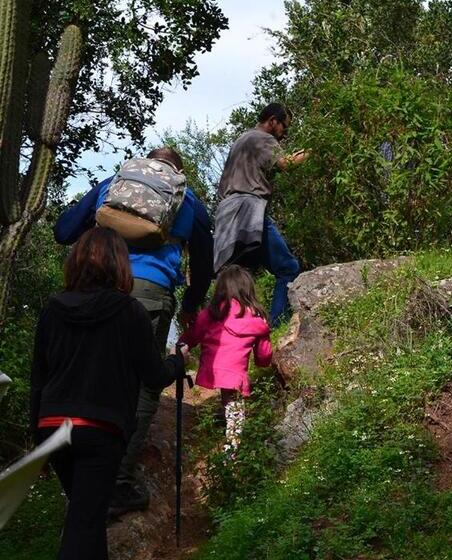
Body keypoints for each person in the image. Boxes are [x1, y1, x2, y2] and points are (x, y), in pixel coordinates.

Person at [52, 147, 213, 516]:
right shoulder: (187, 200)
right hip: (148, 292)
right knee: (143, 386)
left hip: (90, 289)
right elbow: (205, 264)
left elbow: (64, 231)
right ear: (178, 171)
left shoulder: (112, 184)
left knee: (87, 377)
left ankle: (77, 474)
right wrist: (190, 305)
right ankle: (116, 483)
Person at [31, 227, 188, 560]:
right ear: (120, 264)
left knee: (87, 515)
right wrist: (178, 362)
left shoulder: (52, 310)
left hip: (53, 426)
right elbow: (153, 375)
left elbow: (38, 381)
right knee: (84, 522)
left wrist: (38, 444)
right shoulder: (130, 312)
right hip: (99, 429)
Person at [212, 102, 308, 327]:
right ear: (273, 121)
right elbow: (286, 164)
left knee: (236, 277)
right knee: (288, 268)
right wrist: (317, 149)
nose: (284, 134)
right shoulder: (264, 139)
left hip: (226, 215)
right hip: (248, 210)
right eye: (284, 127)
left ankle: (223, 331)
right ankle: (276, 327)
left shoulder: (242, 140)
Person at [178, 265, 273, 456]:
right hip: (236, 372)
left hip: (213, 368)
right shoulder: (257, 318)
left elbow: (193, 336)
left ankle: (228, 444)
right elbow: (263, 356)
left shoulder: (211, 313)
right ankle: (232, 452)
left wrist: (182, 344)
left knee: (228, 399)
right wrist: (262, 363)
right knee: (234, 404)